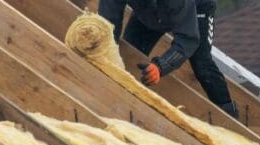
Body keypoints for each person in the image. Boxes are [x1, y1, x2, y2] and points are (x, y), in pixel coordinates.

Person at [99, 0, 240, 119]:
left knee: (201, 64)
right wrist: (105, 48)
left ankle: (229, 118)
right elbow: (109, 21)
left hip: (195, 10)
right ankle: (119, 108)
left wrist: (161, 67)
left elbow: (188, 39)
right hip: (150, 13)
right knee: (131, 57)